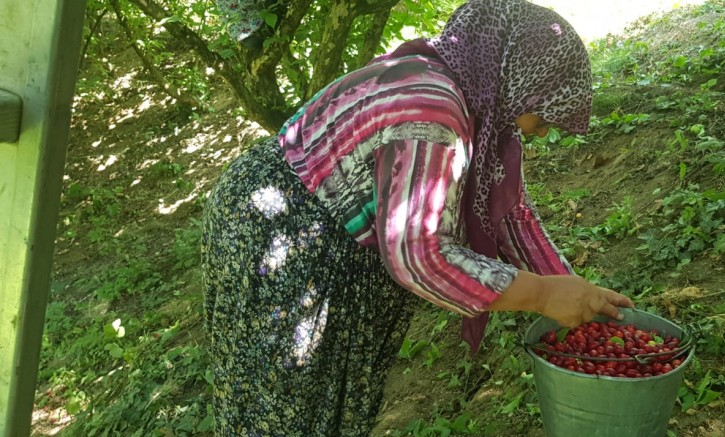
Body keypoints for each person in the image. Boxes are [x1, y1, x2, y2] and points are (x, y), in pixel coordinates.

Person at [201, 0, 634, 435]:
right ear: (517, 77)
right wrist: (541, 294)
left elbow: (512, 216)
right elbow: (417, 255)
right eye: (544, 111)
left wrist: (579, 293)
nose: (543, 130)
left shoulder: (477, 108)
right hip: (288, 228)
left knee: (329, 404)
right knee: (289, 404)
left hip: (321, 226)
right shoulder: (433, 109)